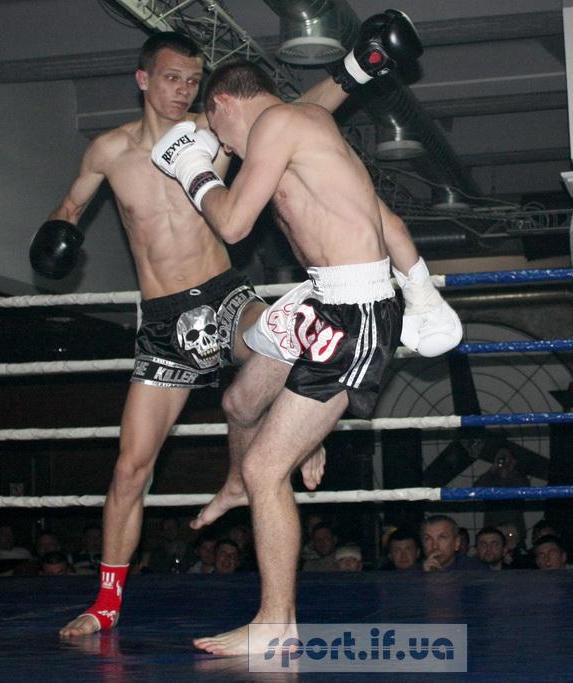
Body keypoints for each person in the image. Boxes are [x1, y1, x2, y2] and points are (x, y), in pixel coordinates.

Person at [40, 29, 400, 640]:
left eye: (192, 80)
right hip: (162, 326)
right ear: (143, 79)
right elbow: (71, 206)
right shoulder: (108, 151)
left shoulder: (213, 131)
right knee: (130, 468)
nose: (184, 90)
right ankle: (104, 605)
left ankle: (308, 419)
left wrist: (354, 71)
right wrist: (56, 230)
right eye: (172, 78)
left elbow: (296, 114)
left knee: (291, 332)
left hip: (223, 298)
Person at [151, 21, 449, 654]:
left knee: (267, 467)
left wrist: (194, 169)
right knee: (239, 402)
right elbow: (389, 221)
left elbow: (233, 224)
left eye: (218, 133)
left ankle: (275, 625)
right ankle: (253, 472)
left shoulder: (279, 126)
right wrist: (423, 293)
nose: (224, 149)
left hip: (353, 314)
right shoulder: (304, 130)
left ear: (222, 103)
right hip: (321, 298)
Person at [419, 515, 487, 572]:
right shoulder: (415, 572)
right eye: (427, 539)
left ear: (457, 543)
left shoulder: (474, 570)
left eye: (442, 537)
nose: (435, 546)